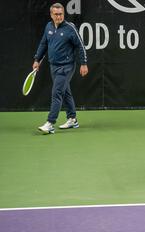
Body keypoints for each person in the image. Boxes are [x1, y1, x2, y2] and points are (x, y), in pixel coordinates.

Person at [33, 3, 88, 134]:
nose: (59, 16)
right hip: (53, 66)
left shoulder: (70, 28)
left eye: (61, 14)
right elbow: (43, 44)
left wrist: (84, 63)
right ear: (51, 15)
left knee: (57, 92)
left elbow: (81, 46)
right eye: (56, 14)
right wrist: (37, 59)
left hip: (67, 67)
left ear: (64, 14)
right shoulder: (48, 27)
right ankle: (72, 119)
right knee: (65, 92)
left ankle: (50, 123)